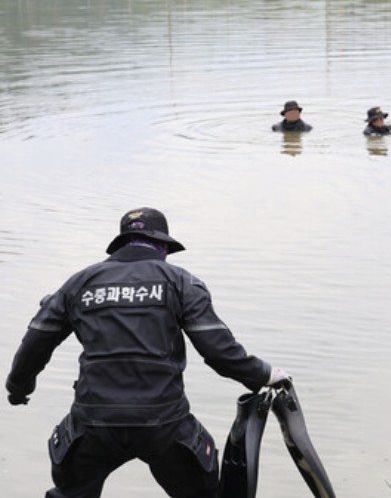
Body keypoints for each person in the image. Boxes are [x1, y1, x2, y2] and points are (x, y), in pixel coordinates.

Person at [5, 207, 292, 498]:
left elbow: (35, 343)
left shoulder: (78, 284)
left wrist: (18, 388)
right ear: (163, 245)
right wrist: (265, 375)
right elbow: (219, 352)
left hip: (93, 423)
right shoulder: (181, 282)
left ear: (122, 242)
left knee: (70, 493)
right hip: (165, 424)